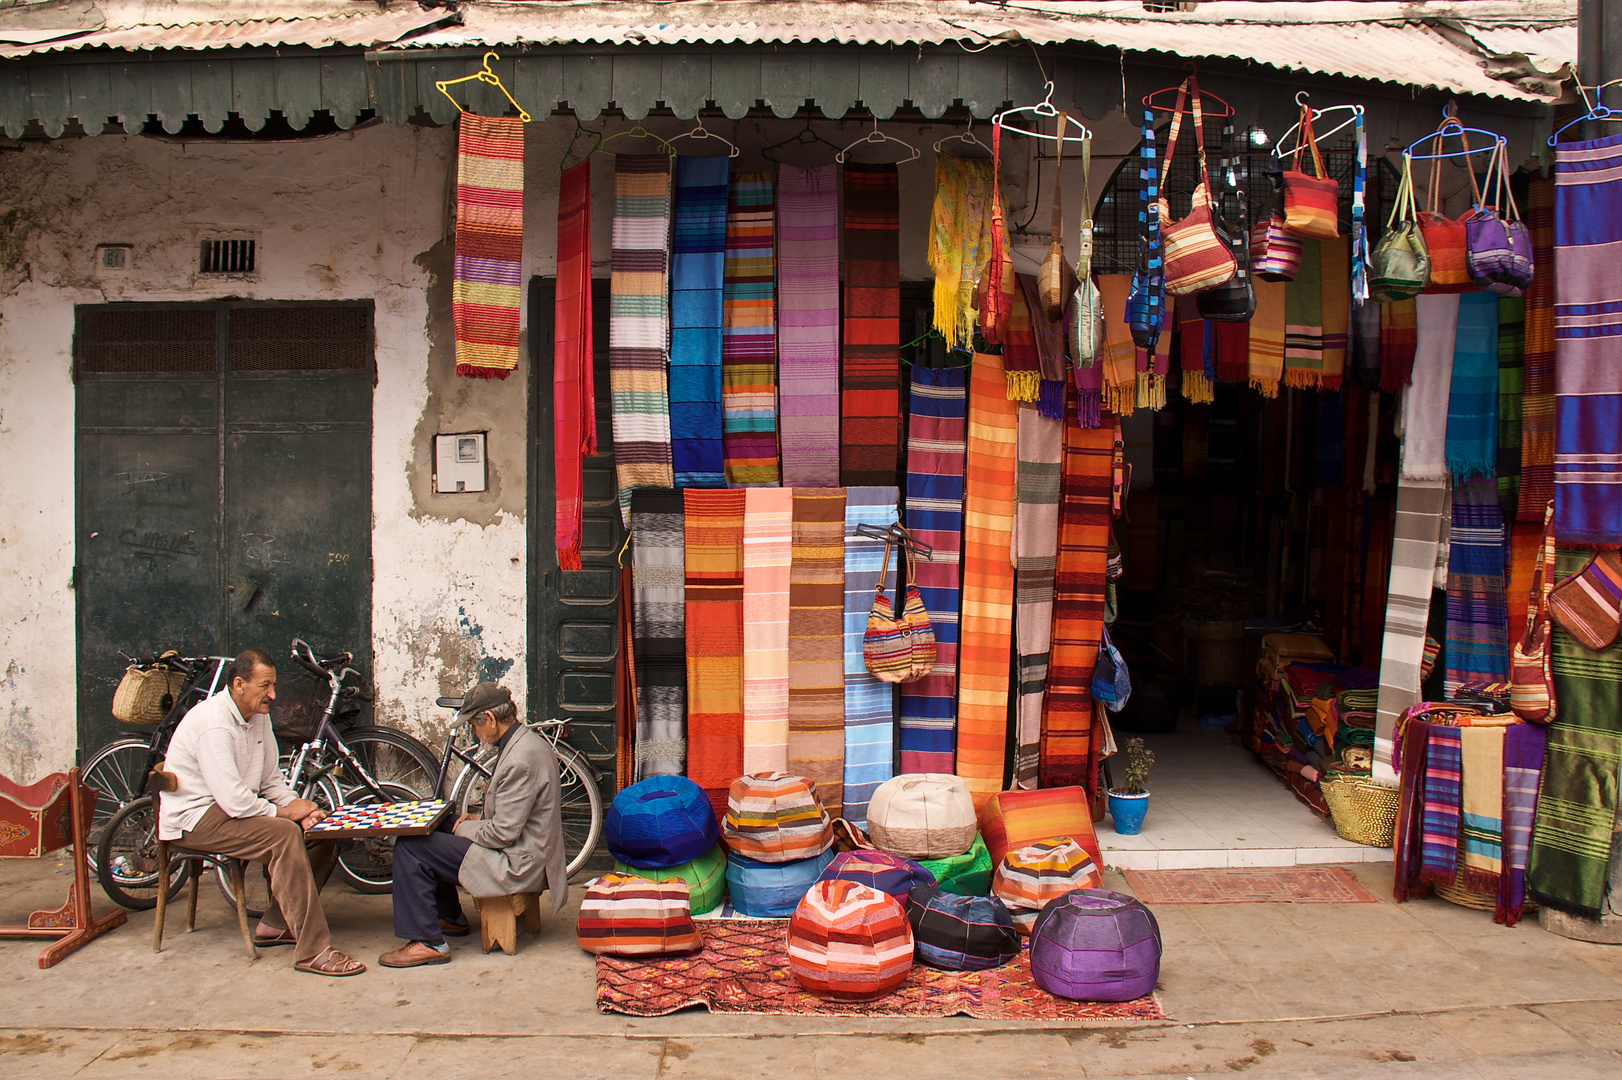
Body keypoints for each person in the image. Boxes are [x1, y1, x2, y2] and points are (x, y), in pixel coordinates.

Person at [158, 648, 365, 976]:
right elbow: (234, 801)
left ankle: (275, 923)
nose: (273, 694)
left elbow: (271, 780)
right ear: (239, 685)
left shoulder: (259, 716)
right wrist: (287, 814)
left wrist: (300, 809)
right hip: (196, 818)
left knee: (322, 830)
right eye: (264, 685)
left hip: (229, 809)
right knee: (284, 834)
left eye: (273, 685)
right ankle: (312, 951)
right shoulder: (214, 723)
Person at [380, 682, 568, 967]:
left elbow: (503, 833)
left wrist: (466, 828)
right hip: (525, 847)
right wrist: (473, 821)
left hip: (517, 863)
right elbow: (515, 814)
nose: (474, 733)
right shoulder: (524, 741)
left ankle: (428, 941)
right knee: (436, 825)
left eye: (475, 726)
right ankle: (449, 917)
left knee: (412, 845)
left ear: (490, 720)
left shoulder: (520, 758)